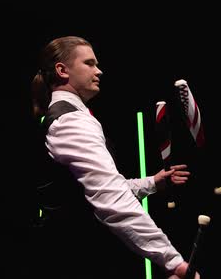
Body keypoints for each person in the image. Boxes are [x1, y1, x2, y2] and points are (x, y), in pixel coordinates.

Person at [28, 35, 200, 279]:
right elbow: (109, 196)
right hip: (77, 260)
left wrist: (152, 183)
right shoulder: (71, 122)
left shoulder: (66, 116)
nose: (99, 71)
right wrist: (172, 261)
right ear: (62, 70)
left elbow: (91, 191)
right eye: (89, 63)